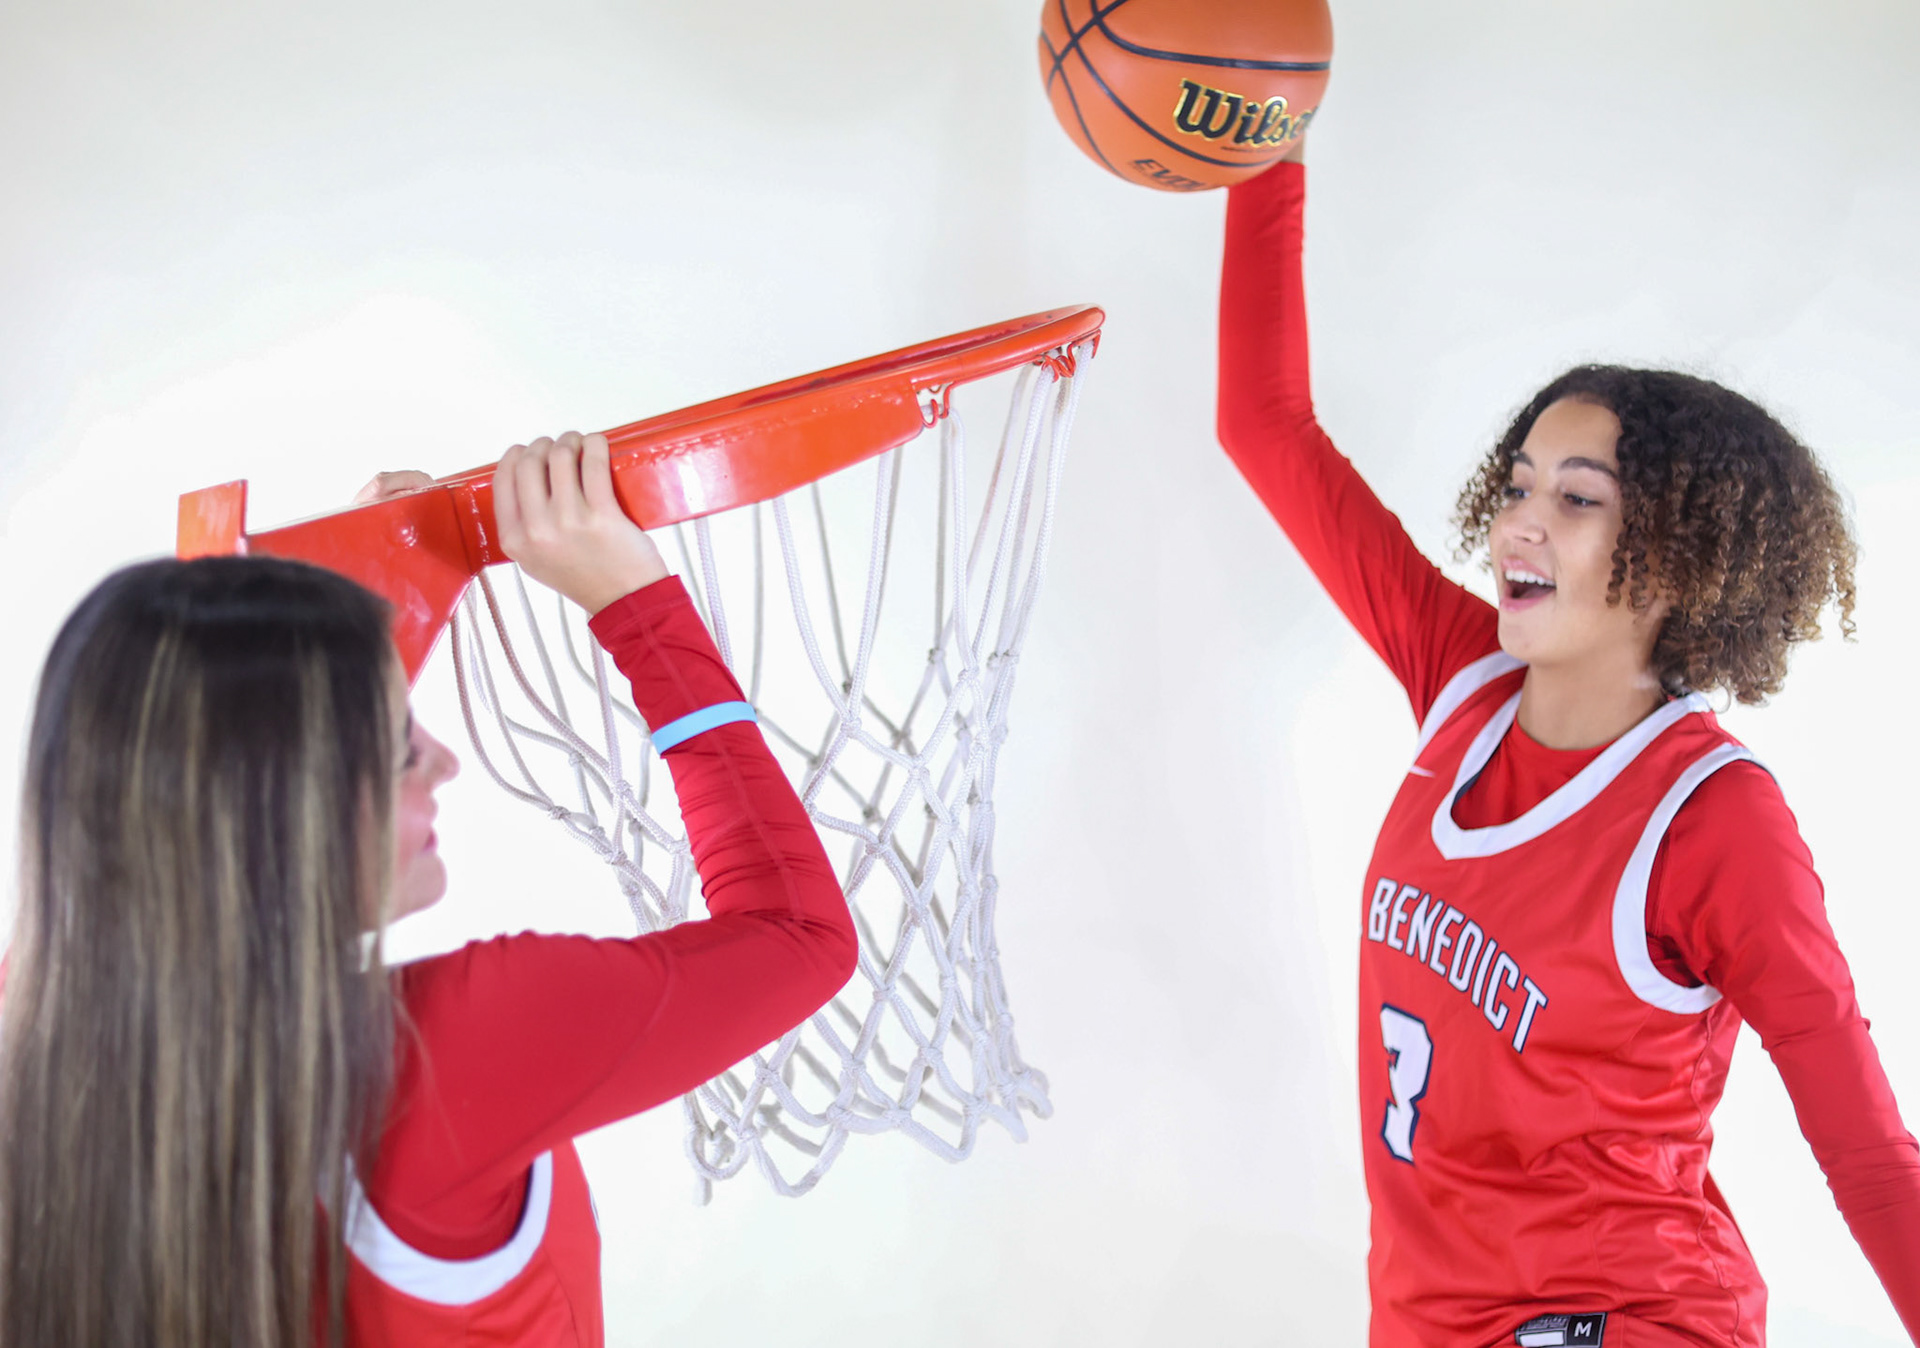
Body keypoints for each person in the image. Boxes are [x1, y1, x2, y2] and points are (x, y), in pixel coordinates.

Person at [1217, 144, 1920, 1346]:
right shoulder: (1463, 684)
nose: (1522, 519)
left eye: (1578, 497)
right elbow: (1264, 427)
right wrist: (1263, 134)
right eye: (1521, 481)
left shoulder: (1711, 819)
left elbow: (1862, 1143)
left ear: (1681, 556)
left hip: (1624, 1321)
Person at [0, 431, 857, 1348]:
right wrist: (635, 605)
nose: (444, 763)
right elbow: (798, 928)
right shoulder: (440, 1055)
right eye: (405, 746)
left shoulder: (34, 1036)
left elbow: (196, 760)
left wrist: (342, 613)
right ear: (294, 810)